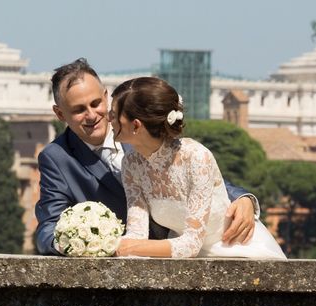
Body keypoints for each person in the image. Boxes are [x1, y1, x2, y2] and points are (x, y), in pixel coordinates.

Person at [34, 58, 260, 256]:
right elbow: (48, 228)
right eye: (79, 110)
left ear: (106, 97)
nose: (92, 115)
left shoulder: (143, 126)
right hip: (140, 261)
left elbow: (194, 174)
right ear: (60, 114)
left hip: (216, 246)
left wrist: (244, 198)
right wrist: (79, 243)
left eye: (96, 103)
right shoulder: (56, 158)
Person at [110, 76, 286, 259]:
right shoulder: (131, 163)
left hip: (240, 251)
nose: (109, 120)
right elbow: (136, 235)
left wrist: (127, 247)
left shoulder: (196, 157)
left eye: (113, 115)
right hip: (184, 260)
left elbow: (190, 245)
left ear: (136, 125)